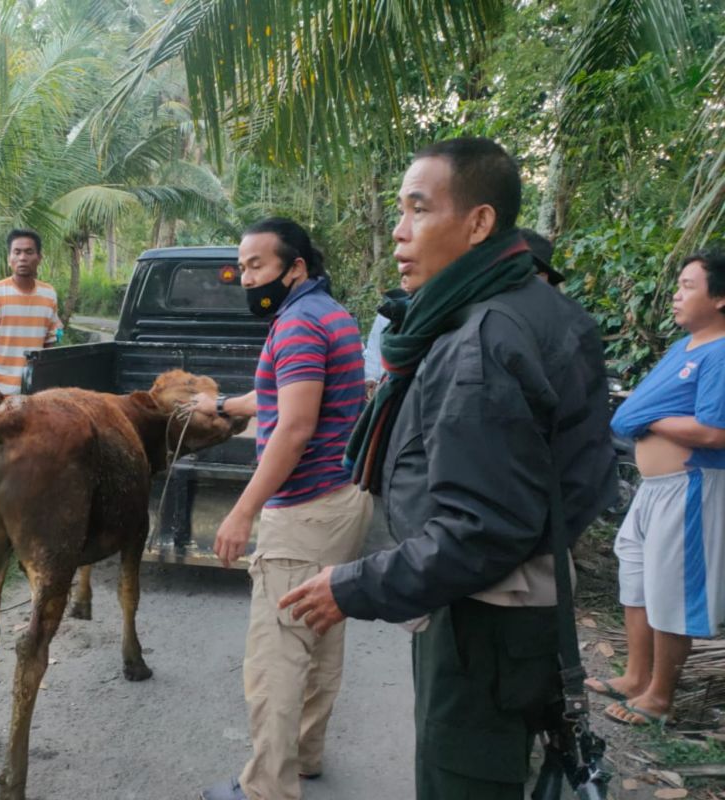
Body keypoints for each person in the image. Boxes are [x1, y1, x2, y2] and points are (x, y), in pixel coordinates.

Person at [277, 137, 617, 799]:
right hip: (529, 605)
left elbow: (479, 531)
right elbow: (581, 476)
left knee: (460, 779)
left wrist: (356, 585)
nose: (400, 234)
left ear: (479, 222)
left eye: (417, 211)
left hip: (480, 621)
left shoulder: (484, 341)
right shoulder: (546, 311)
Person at [194, 218, 371, 800]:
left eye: (258, 267)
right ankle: (305, 755)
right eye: (241, 268)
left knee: (276, 653)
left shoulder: (296, 325)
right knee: (321, 632)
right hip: (343, 498)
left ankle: (268, 787)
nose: (247, 278)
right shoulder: (328, 314)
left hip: (305, 509)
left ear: (295, 267)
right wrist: (221, 402)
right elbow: (274, 396)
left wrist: (242, 511)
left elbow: (293, 427)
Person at [584, 251, 725, 727]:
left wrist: (645, 418)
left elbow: (715, 431)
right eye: (679, 284)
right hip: (654, 487)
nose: (677, 294)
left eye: (689, 286)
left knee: (671, 589)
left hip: (689, 485)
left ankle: (659, 697)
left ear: (721, 297)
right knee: (637, 573)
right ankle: (635, 676)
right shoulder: (685, 346)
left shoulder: (721, 351)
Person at [0, 229, 61, 417]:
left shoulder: (49, 294)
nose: (22, 258)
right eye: (17, 252)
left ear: (39, 257)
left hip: (34, 396)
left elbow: (49, 344)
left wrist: (46, 386)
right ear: (9, 258)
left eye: (29, 252)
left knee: (34, 446)